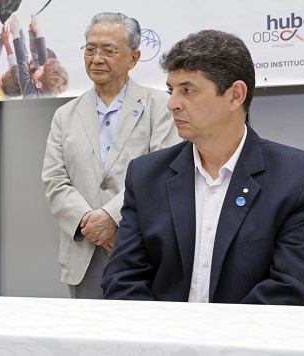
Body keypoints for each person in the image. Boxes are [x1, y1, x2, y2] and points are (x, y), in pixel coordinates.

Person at [102, 30, 304, 306]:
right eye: (171, 90)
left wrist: (211, 339)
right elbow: (123, 279)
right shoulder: (145, 176)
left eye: (187, 90)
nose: (172, 104)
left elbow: (297, 291)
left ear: (235, 95)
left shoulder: (300, 180)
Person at [42, 12, 181, 299]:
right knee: (86, 338)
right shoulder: (65, 115)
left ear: (133, 58)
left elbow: (164, 171)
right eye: (90, 49)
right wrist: (90, 223)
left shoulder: (161, 107)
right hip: (84, 248)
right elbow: (55, 180)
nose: (96, 58)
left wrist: (111, 217)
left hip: (140, 243)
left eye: (108, 50)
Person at [10, 15, 69, 98]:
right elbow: (43, 59)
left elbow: (22, 62)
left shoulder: (29, 94)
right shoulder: (50, 89)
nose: (41, 66)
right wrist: (37, 31)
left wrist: (15, 34)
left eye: (42, 68)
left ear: (38, 84)